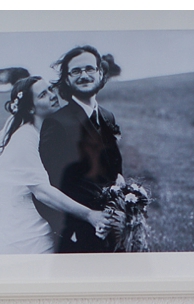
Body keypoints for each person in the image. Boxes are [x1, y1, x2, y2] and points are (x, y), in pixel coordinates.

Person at [0, 76, 109, 255]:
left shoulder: (49, 131)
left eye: (50, 89)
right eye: (42, 95)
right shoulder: (24, 138)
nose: (52, 95)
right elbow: (42, 192)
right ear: (31, 108)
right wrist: (90, 214)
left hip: (48, 214)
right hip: (28, 224)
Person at [38, 46, 125, 253]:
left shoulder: (107, 116)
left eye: (89, 69)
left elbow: (113, 170)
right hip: (78, 236)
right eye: (76, 71)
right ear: (67, 80)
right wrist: (72, 232)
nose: (84, 75)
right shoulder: (57, 123)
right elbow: (50, 187)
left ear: (100, 73)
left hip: (114, 228)